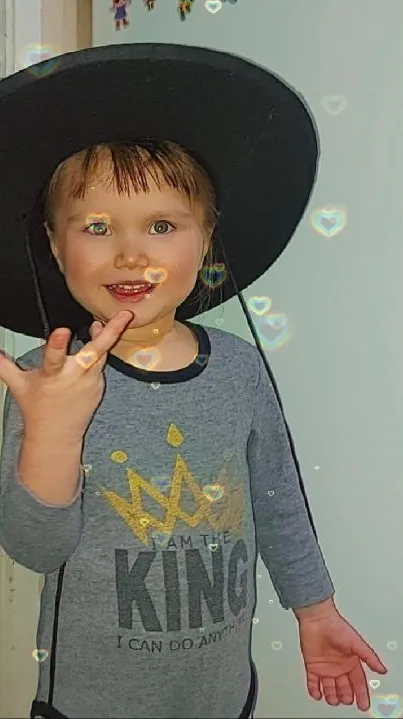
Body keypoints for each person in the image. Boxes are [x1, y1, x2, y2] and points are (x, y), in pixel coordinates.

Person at [0, 44, 386, 719]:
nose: (130, 252)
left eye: (161, 224)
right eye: (96, 226)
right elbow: (36, 549)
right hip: (90, 704)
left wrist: (314, 609)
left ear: (205, 240)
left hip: (219, 695)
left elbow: (277, 498)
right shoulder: (47, 380)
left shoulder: (237, 367)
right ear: (56, 247)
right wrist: (52, 438)